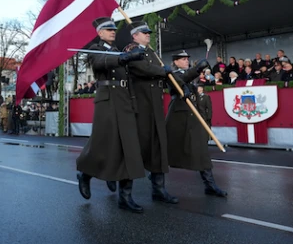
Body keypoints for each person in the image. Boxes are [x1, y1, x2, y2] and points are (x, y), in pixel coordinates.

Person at [75, 17, 147, 213]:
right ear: (99, 32)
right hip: (107, 100)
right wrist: (123, 58)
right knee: (103, 143)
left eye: (114, 29)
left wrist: (134, 57)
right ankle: (85, 174)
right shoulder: (95, 49)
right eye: (108, 29)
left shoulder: (117, 50)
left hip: (124, 100)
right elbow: (100, 62)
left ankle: (125, 197)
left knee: (129, 146)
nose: (113, 32)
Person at [124, 20, 178, 205]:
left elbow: (160, 73)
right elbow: (142, 68)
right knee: (136, 147)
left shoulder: (152, 52)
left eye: (149, 33)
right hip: (141, 105)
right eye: (144, 33)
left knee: (158, 147)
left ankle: (159, 189)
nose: (148, 35)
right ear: (135, 35)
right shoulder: (131, 50)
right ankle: (125, 192)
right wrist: (162, 71)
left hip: (155, 105)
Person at [165, 50, 227, 198]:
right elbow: (179, 82)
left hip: (194, 117)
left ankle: (210, 185)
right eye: (183, 59)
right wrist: (197, 69)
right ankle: (156, 182)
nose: (186, 61)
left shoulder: (190, 75)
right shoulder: (171, 74)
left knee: (201, 151)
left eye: (187, 59)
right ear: (175, 62)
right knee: (166, 149)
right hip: (178, 117)